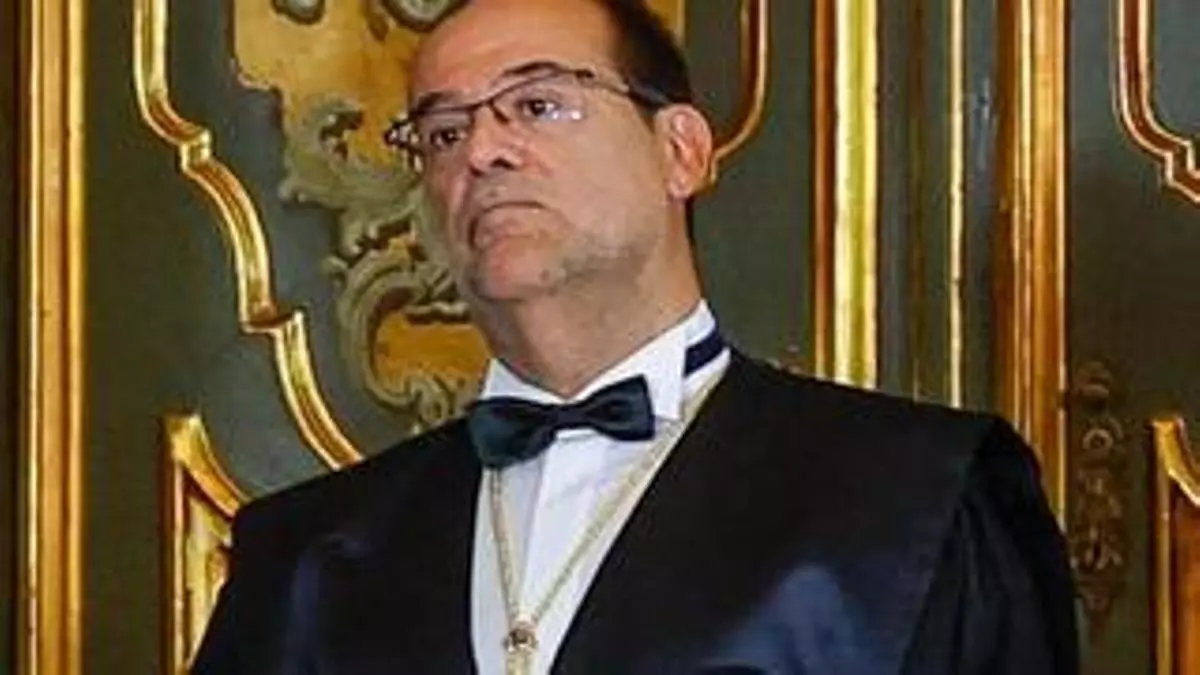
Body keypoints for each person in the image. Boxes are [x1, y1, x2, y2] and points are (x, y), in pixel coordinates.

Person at [191, 0, 1080, 673]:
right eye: (445, 130)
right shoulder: (306, 556)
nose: (482, 152)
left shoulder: (916, 499)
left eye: (538, 104)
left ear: (681, 151)